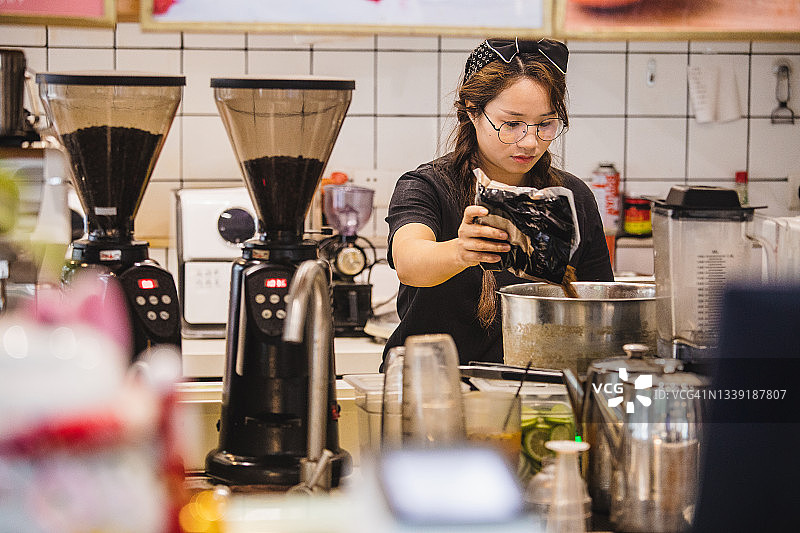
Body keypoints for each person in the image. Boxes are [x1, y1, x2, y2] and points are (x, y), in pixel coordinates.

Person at [383, 38, 614, 366]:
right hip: (436, 382)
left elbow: (600, 305)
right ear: (472, 110)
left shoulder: (573, 197)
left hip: (539, 386)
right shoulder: (427, 186)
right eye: (512, 124)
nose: (530, 142)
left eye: (545, 124)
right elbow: (409, 261)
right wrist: (462, 251)